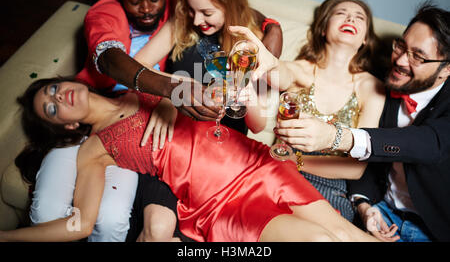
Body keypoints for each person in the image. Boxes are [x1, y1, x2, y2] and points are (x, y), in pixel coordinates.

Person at [0, 77, 379, 242]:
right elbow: (80, 225)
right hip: (222, 205)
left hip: (259, 163)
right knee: (317, 238)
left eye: (53, 89)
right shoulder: (93, 149)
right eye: (52, 109)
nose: (59, 98)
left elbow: (207, 91)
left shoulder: (142, 84)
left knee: (347, 234)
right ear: (66, 128)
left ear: (68, 81)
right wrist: (8, 237)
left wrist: (180, 95)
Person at [27, 0, 202, 242]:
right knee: (47, 211)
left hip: (132, 123)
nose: (146, 8)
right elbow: (109, 58)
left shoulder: (179, 5)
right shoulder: (104, 12)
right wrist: (167, 89)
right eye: (134, 1)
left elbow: (228, 4)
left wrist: (270, 27)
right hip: (88, 116)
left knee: (111, 221)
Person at [264, 3, 450, 242]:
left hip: (432, 228)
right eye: (401, 46)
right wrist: (363, 204)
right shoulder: (390, 84)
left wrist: (336, 137)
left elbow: (427, 142)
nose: (402, 60)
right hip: (379, 213)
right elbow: (373, 164)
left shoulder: (372, 87)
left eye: (418, 56)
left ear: (446, 70)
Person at [230, 0, 386, 222]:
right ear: (323, 28)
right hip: (281, 173)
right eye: (341, 13)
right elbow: (279, 73)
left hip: (332, 188)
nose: (350, 18)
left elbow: (356, 169)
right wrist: (267, 59)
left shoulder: (371, 87)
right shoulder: (301, 70)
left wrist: (299, 161)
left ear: (365, 38)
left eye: (359, 17)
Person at [133, 0, 282, 136]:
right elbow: (137, 64)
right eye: (191, 8)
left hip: (222, 139)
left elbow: (257, 126)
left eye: (207, 13)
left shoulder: (250, 42)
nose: (196, 20)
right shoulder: (181, 22)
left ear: (231, 6)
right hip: (177, 129)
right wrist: (172, 91)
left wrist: (248, 95)